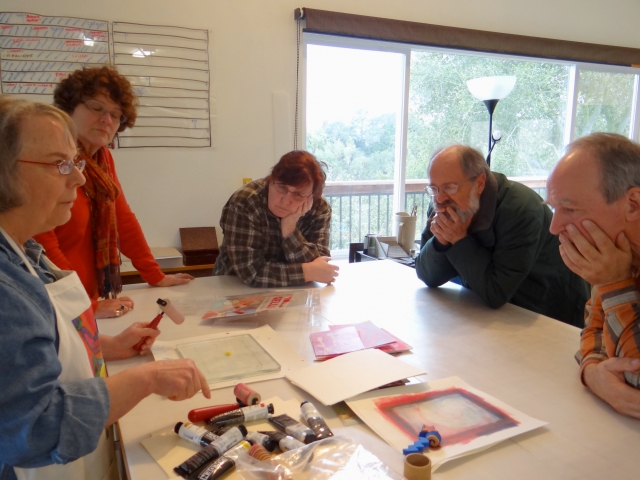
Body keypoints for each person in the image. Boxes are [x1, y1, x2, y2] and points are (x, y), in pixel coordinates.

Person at [0, 97, 210, 480]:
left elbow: (43, 348)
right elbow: (34, 428)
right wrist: (146, 378)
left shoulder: (24, 251)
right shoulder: (5, 289)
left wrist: (103, 347)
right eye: (59, 164)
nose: (78, 178)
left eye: (75, 162)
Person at [34, 66, 193, 319]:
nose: (106, 119)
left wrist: (155, 276)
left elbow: (123, 220)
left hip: (87, 298)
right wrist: (83, 304)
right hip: (53, 303)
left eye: (116, 114)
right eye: (96, 108)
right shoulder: (50, 157)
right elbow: (42, 244)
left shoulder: (102, 159)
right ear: (69, 108)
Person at [415, 145, 589, 326]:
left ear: (480, 183)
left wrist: (459, 240)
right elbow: (428, 276)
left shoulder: (521, 209)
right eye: (433, 188)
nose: (439, 199)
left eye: (450, 187)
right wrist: (441, 242)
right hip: (492, 316)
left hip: (550, 316)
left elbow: (495, 292)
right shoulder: (441, 203)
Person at [547, 132, 640, 419]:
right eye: (554, 208)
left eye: (570, 208)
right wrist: (592, 373)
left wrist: (615, 284)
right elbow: (595, 328)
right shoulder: (617, 251)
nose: (554, 227)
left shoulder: (612, 265)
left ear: (633, 203)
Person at [214, 150, 338, 287]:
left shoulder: (319, 208)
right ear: (270, 180)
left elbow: (320, 263)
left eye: (298, 194)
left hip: (297, 290)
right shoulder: (245, 202)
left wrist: (290, 228)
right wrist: (307, 272)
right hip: (233, 287)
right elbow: (251, 272)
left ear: (311, 197)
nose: (285, 201)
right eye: (281, 187)